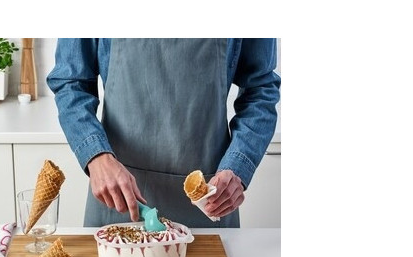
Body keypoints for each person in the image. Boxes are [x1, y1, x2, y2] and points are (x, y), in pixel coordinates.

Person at [47, 38, 280, 228]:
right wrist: (96, 156)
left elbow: (260, 90)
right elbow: (71, 82)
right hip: (118, 199)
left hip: (210, 201)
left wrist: (238, 167)